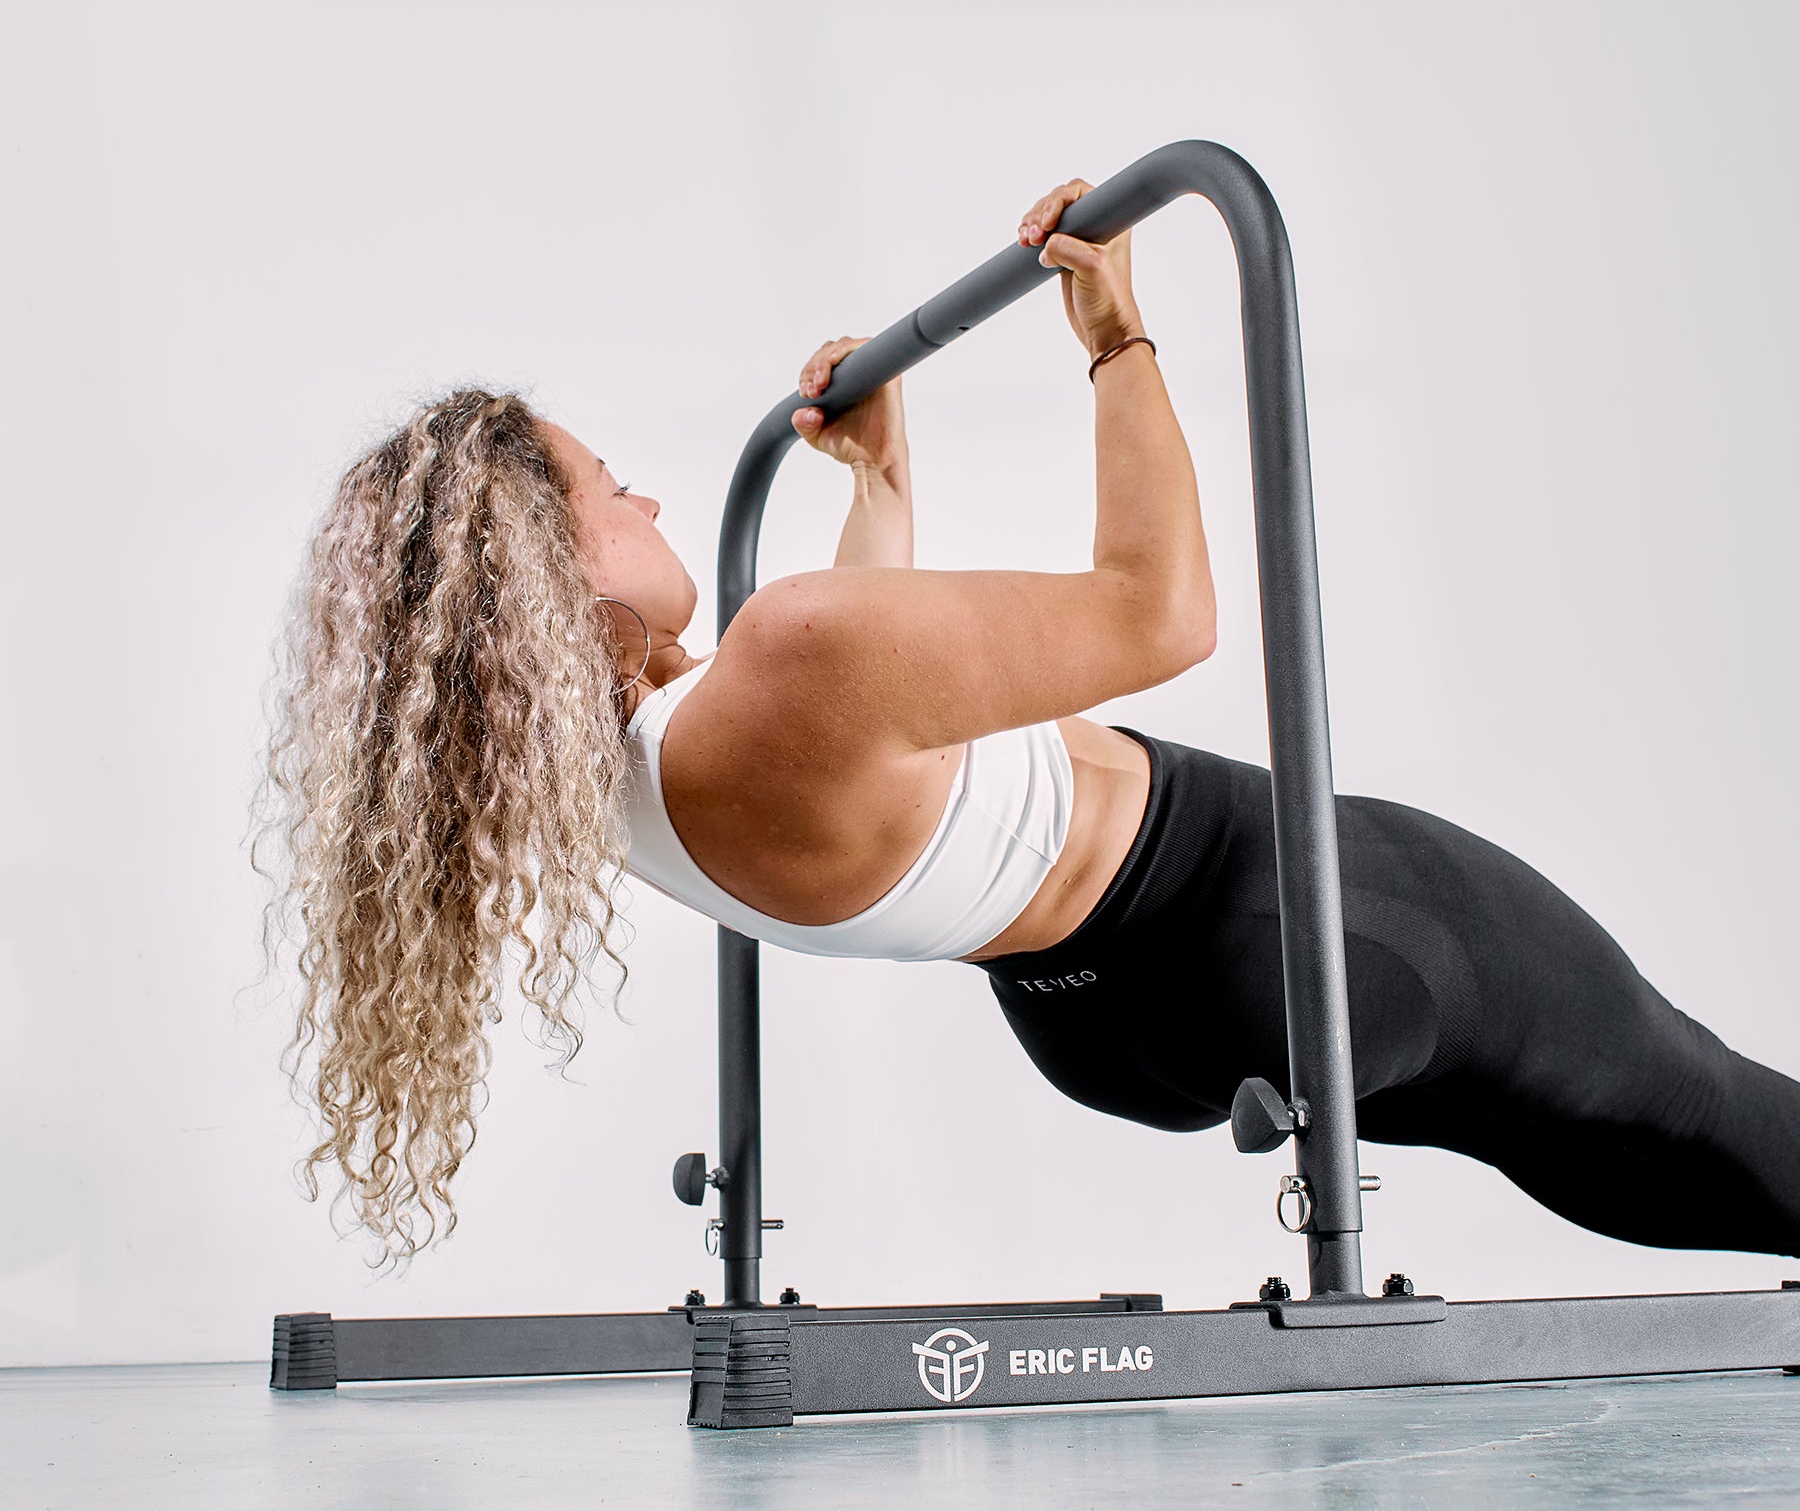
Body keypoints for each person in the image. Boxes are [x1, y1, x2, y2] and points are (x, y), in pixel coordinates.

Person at [261, 181, 1800, 1267]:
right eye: (607, 489)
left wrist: (880, 486)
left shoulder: (633, 777)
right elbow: (1163, 615)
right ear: (539, 565)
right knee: (1684, 1089)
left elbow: (892, 754)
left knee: (1581, 1134)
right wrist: (1116, 334)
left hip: (1112, 1022)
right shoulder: (772, 661)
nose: (650, 492)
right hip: (1255, 903)